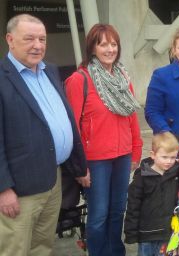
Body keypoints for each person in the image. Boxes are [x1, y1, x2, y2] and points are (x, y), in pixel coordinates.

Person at [0, 14, 89, 255]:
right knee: (15, 249)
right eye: (29, 38)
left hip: (53, 180)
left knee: (42, 246)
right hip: (19, 190)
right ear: (10, 39)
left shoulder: (50, 70)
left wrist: (79, 167)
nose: (37, 45)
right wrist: (3, 189)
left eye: (42, 39)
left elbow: (66, 121)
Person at [64, 24, 143, 256]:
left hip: (123, 156)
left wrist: (136, 151)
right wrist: (79, 167)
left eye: (114, 44)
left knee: (118, 210)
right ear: (92, 47)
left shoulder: (122, 78)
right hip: (95, 160)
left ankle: (115, 252)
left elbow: (131, 118)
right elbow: (73, 128)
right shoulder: (79, 80)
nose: (110, 49)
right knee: (98, 215)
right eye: (103, 44)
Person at [124, 132, 179, 256]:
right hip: (146, 233)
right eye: (164, 157)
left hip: (167, 231)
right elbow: (133, 206)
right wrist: (131, 232)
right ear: (153, 155)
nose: (169, 161)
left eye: (173, 157)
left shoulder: (175, 172)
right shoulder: (141, 177)